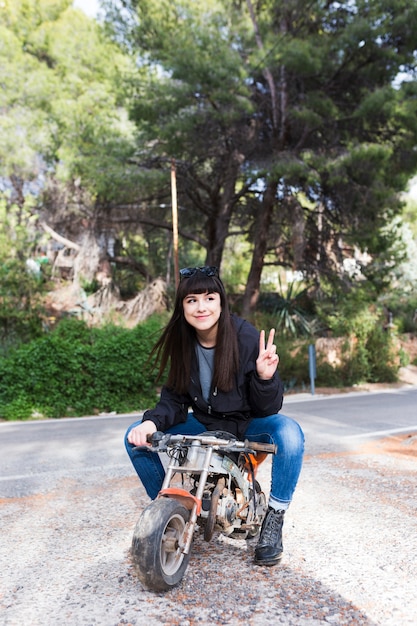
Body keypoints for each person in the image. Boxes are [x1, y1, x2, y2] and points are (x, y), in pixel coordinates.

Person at [125, 266, 304, 566]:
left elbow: (268, 409)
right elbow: (174, 398)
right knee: (135, 436)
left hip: (247, 424)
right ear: (182, 307)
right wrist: (150, 422)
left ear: (221, 301)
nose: (201, 307)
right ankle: (172, 511)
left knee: (290, 434)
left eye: (209, 298)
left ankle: (274, 519)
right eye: (191, 300)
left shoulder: (245, 337)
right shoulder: (183, 343)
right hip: (207, 422)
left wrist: (264, 377)